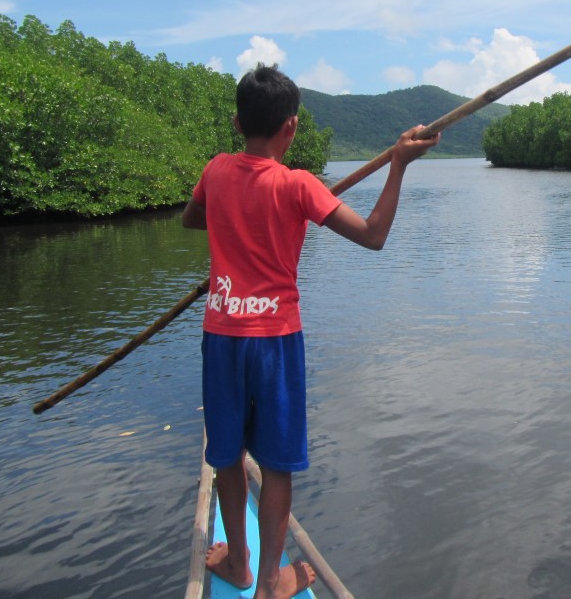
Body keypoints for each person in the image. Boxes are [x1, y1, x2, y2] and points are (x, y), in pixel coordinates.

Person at [182, 63, 439, 599]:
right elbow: (373, 235)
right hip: (275, 341)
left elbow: (191, 218)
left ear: (237, 123)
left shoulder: (216, 171)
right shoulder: (298, 185)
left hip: (222, 335)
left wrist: (235, 219)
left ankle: (238, 565)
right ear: (292, 127)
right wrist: (397, 164)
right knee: (276, 465)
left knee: (226, 457)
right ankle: (269, 584)